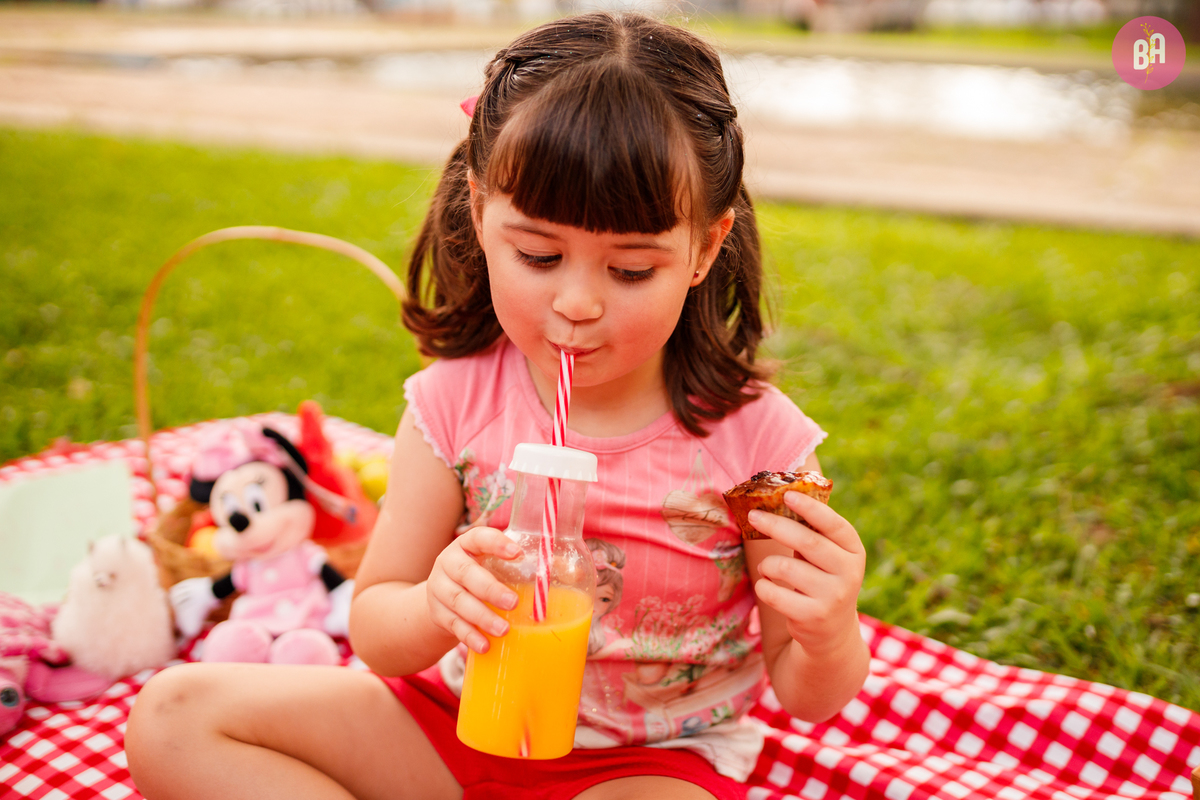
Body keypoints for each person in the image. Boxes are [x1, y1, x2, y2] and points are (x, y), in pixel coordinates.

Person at [125, 11, 870, 800]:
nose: (577, 303)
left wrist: (827, 629)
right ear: (480, 211)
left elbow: (807, 692)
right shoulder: (452, 404)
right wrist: (437, 601)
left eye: (631, 271)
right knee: (174, 715)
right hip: (449, 726)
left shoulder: (759, 443)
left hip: (646, 765)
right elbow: (377, 630)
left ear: (706, 248)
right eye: (539, 255)